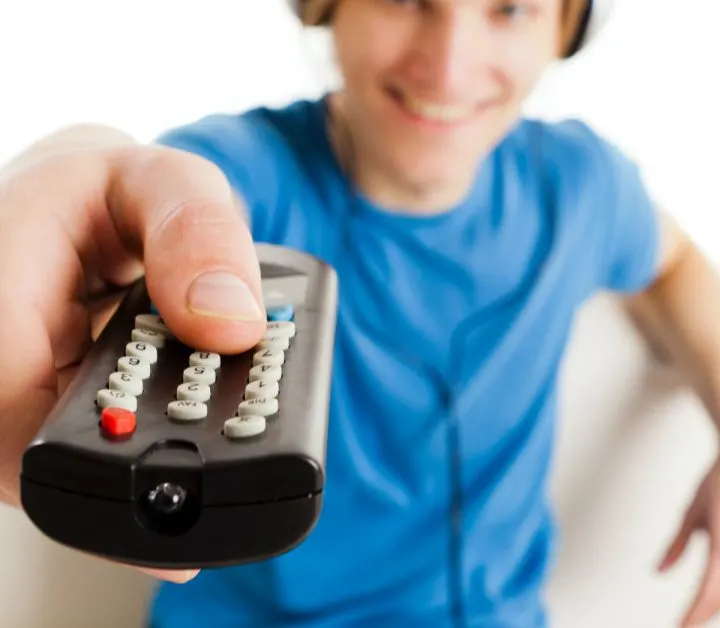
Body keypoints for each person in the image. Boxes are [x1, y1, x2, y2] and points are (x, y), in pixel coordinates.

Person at [1, 0, 720, 625]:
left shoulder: (580, 186)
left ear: (566, 28)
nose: (448, 67)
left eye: (509, 8)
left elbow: (677, 262)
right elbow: (140, 195)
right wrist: (74, 164)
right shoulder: (250, 173)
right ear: (325, 6)